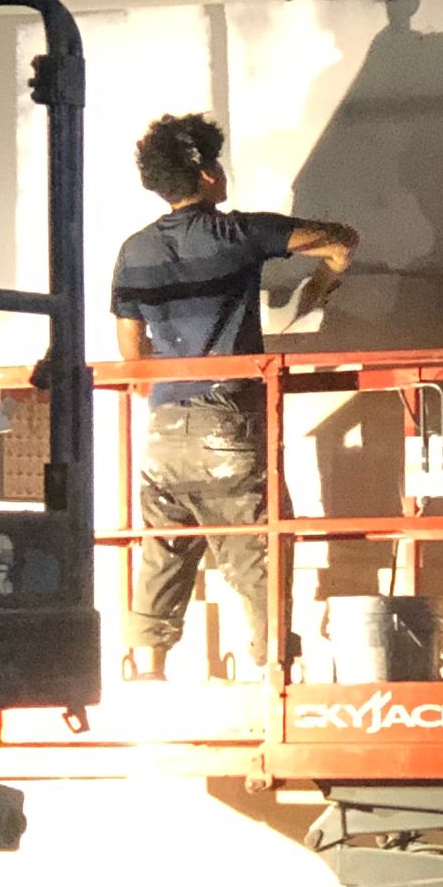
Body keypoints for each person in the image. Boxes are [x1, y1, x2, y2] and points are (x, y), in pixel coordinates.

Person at [113, 112, 357, 678]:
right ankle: (275, 678)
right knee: (258, 554)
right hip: (228, 424)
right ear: (205, 174)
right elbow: (340, 238)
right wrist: (327, 278)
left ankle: (147, 673)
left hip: (163, 428)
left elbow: (131, 352)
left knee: (161, 551)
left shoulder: (133, 251)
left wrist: (169, 388)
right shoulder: (238, 233)